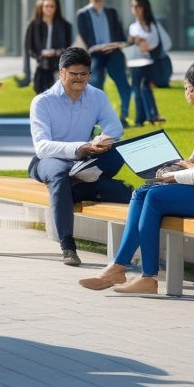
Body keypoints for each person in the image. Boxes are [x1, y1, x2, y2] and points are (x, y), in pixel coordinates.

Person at [80, 57, 194, 295]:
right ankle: (119, 267)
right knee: (143, 193)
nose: (187, 94)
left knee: (155, 198)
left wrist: (175, 177)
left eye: (187, 88)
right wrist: (182, 165)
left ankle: (147, 277)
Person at [29, 47, 132, 267]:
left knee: (119, 151)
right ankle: (68, 245)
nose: (79, 79)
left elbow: (115, 128)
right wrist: (80, 147)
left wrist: (101, 141)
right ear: (62, 72)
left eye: (84, 74)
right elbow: (42, 147)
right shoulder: (42, 102)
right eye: (74, 74)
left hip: (85, 161)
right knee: (59, 173)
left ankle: (74, 185)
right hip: (50, 161)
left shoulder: (96, 96)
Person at [75, 0, 131, 127]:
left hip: (113, 52)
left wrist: (118, 44)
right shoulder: (82, 14)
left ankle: (124, 115)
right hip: (96, 54)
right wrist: (95, 47)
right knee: (95, 84)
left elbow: (120, 34)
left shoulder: (112, 12)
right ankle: (98, 119)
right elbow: (85, 36)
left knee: (123, 83)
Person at [126, 0, 172, 127]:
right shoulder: (132, 27)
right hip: (135, 63)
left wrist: (147, 47)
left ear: (144, 8)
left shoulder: (154, 25)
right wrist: (135, 43)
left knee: (145, 88)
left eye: (138, 6)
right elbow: (132, 46)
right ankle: (142, 119)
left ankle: (149, 116)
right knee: (138, 90)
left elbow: (166, 43)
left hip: (150, 63)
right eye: (133, 6)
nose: (135, 9)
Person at [22, 0, 73, 95]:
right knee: (43, 99)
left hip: (59, 67)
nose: (49, 9)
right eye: (46, 6)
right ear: (41, 7)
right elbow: (29, 49)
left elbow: (69, 48)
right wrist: (40, 55)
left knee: (60, 99)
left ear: (56, 7)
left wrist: (57, 52)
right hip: (41, 67)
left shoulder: (65, 26)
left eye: (52, 6)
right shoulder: (33, 26)